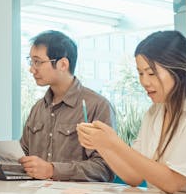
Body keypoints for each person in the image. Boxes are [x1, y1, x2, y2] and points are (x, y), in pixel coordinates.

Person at [76, 30, 186, 194]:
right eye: (140, 73)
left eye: (151, 73)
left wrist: (114, 143)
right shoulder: (155, 112)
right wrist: (102, 145)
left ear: (179, 70)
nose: (144, 81)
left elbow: (172, 182)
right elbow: (133, 176)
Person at [19, 31, 115, 182]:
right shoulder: (38, 108)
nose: (32, 69)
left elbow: (104, 168)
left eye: (37, 62)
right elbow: (22, 154)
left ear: (63, 64)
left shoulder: (97, 106)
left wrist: (52, 170)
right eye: (31, 62)